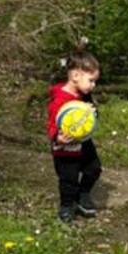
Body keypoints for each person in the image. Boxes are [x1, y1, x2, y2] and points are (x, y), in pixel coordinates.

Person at [47, 50, 102, 223]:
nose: (93, 85)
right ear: (76, 75)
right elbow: (51, 124)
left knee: (94, 168)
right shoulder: (59, 101)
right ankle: (66, 206)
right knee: (68, 179)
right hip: (66, 147)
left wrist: (93, 113)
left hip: (84, 143)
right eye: (91, 81)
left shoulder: (84, 95)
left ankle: (83, 194)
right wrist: (57, 137)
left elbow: (92, 112)